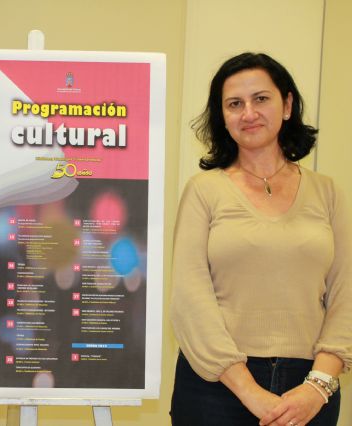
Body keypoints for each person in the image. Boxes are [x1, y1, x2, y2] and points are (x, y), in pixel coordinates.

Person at [170, 52, 351, 426]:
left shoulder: (328, 192)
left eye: (261, 99)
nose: (248, 113)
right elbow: (191, 299)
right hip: (215, 386)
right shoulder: (203, 190)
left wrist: (317, 386)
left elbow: (346, 295)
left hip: (311, 386)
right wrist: (250, 392)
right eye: (234, 104)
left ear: (286, 105)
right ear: (223, 116)